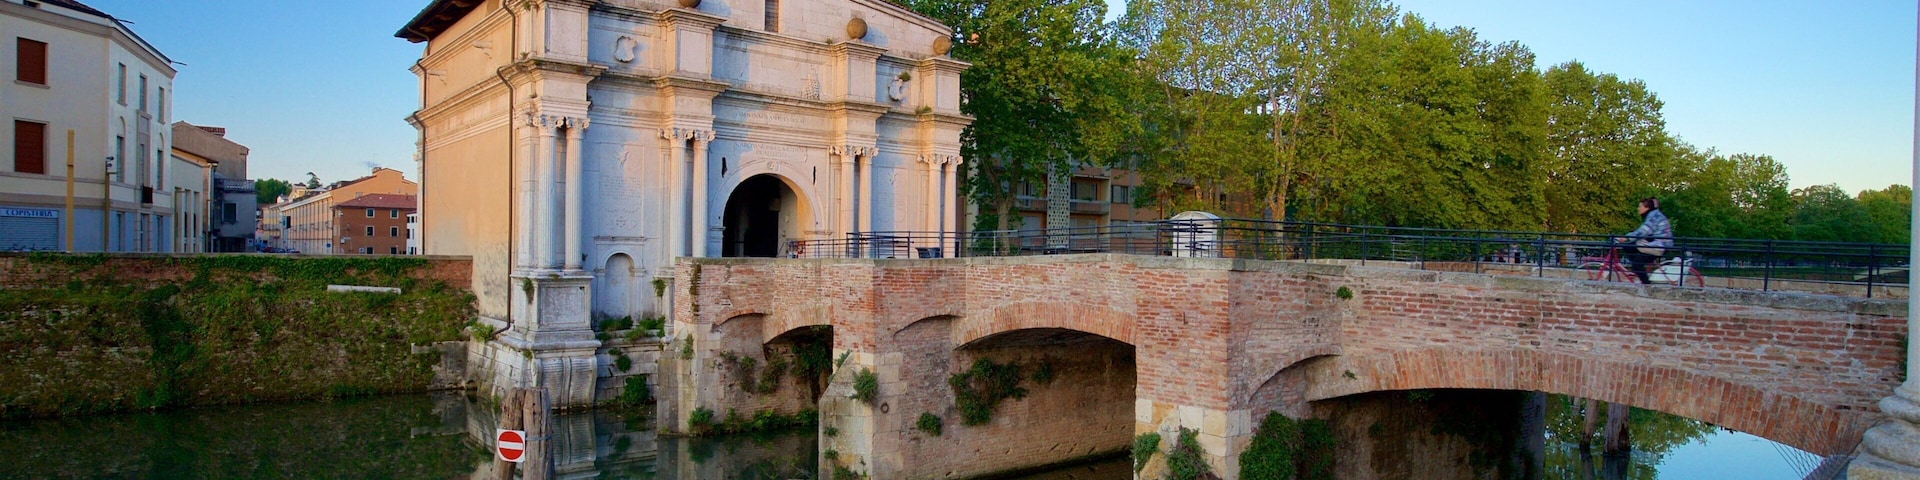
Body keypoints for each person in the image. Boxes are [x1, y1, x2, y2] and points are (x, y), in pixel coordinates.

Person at [1616, 197, 1671, 284]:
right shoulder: (1653, 214)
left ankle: (1647, 286)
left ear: (1647, 207)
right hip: (1655, 244)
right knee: (1628, 247)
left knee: (1637, 264)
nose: (1638, 208)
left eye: (1640, 206)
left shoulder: (1653, 216)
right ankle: (1637, 271)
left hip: (1659, 246)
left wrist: (1627, 238)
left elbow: (1644, 231)